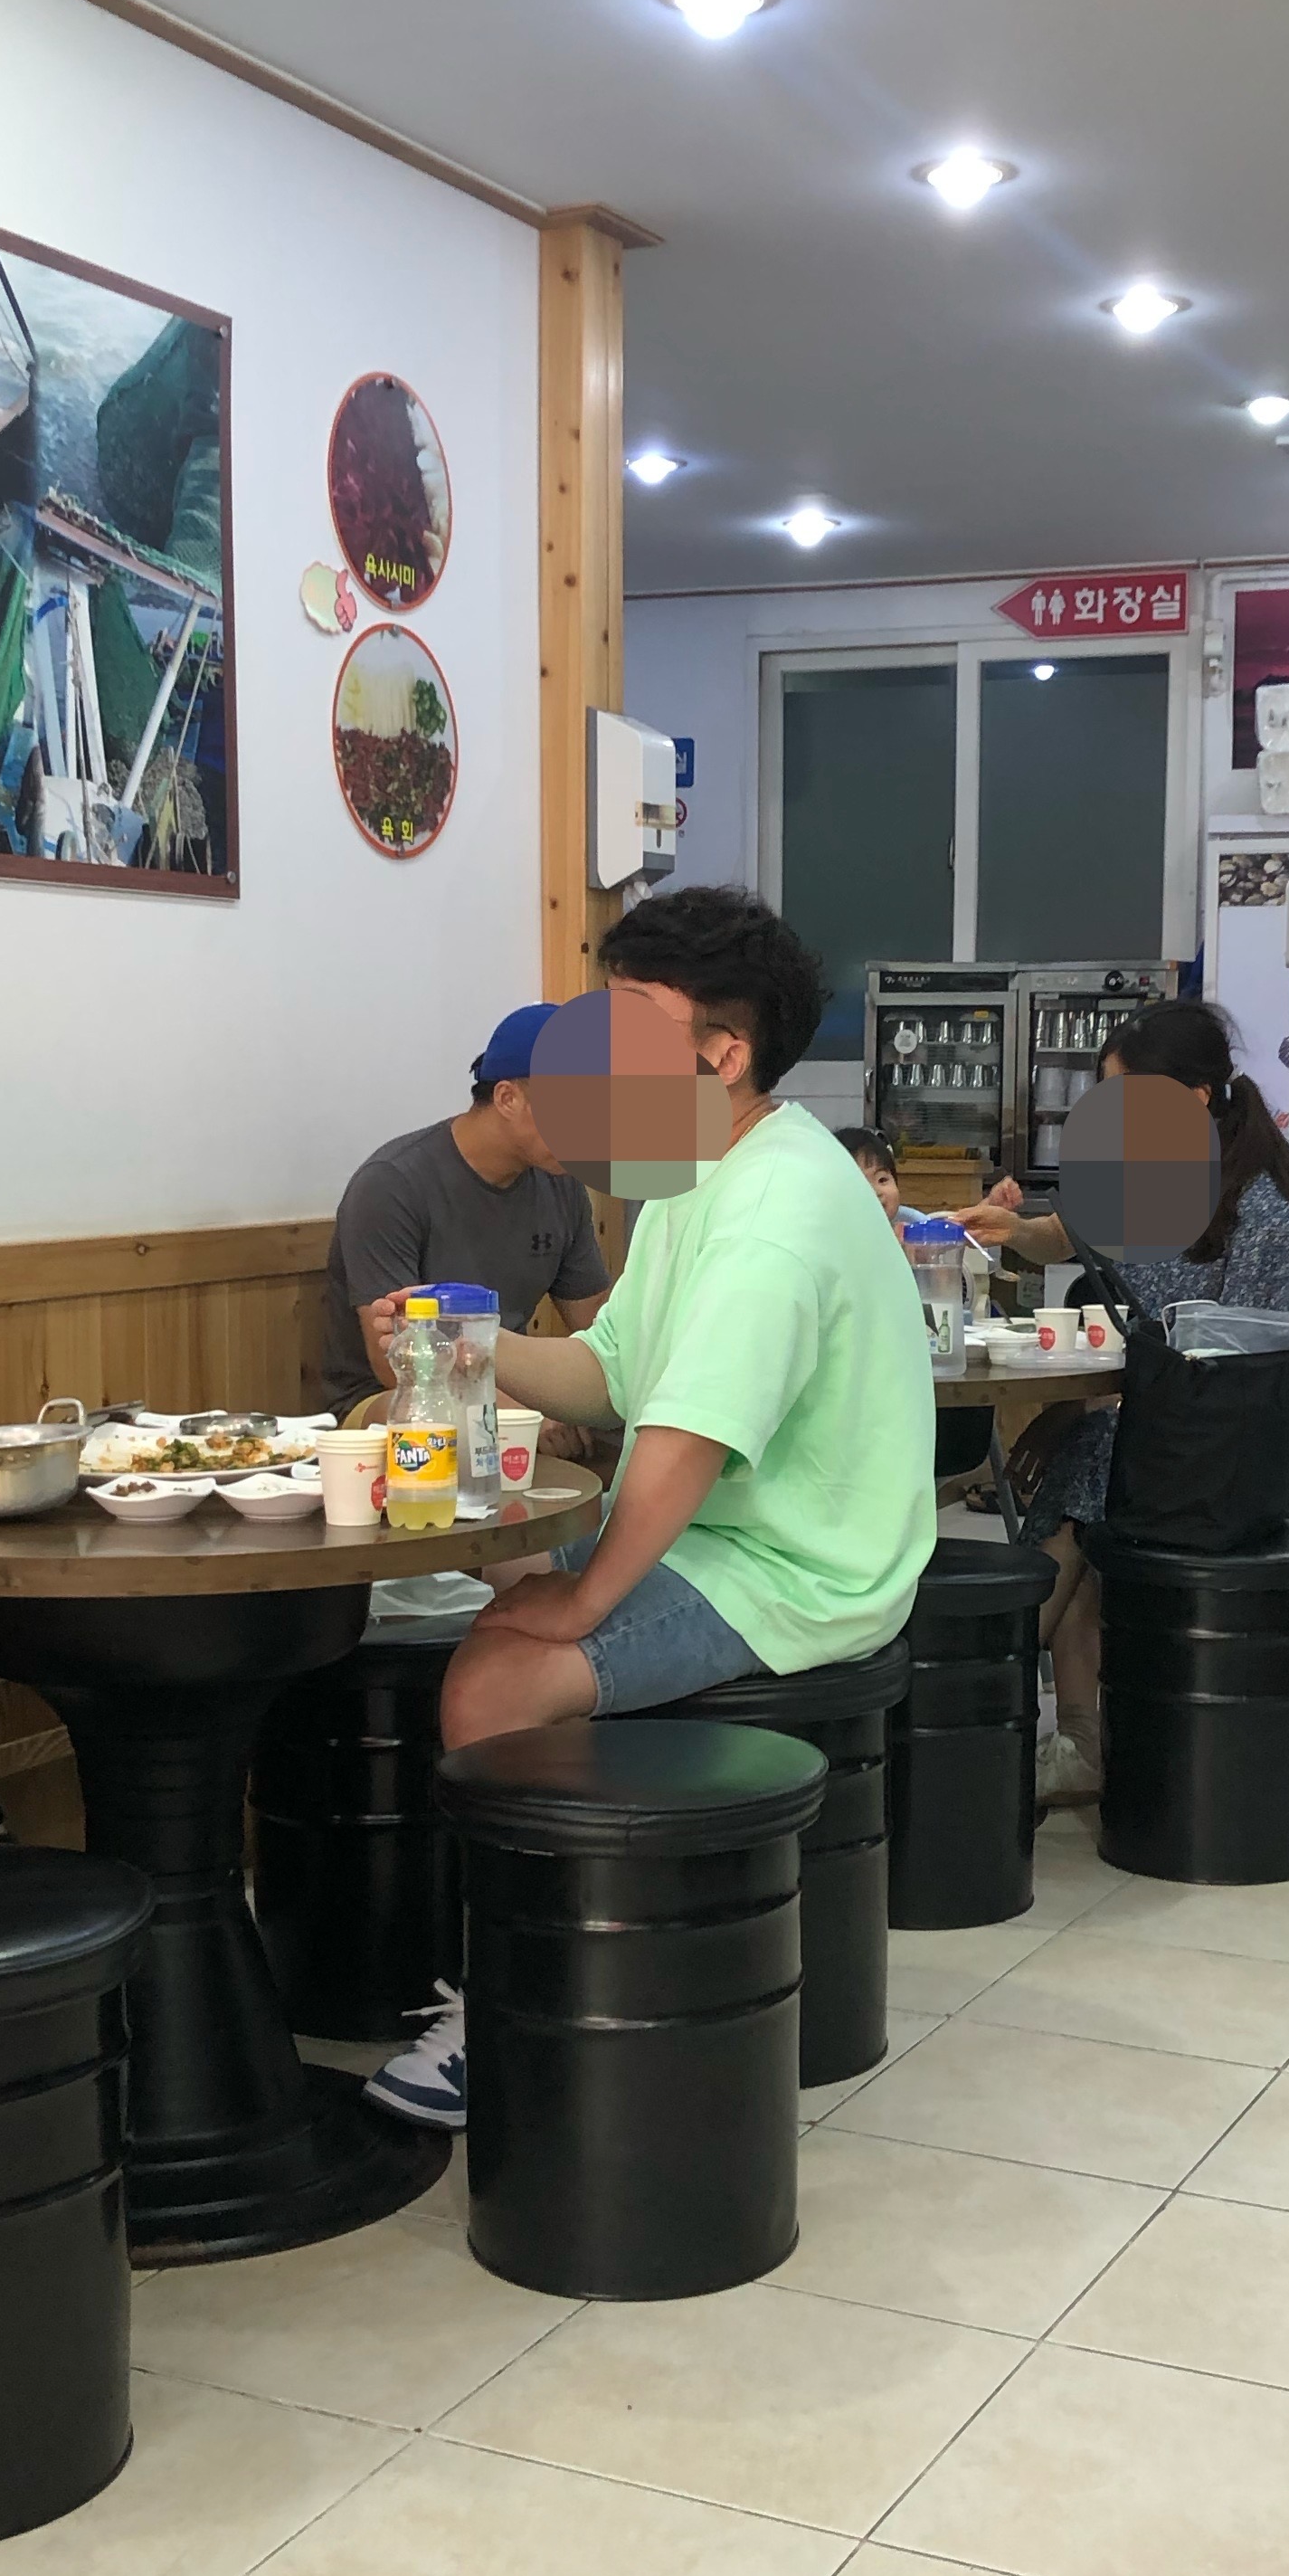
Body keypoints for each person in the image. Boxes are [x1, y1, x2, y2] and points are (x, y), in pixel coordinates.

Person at [365, 888, 935, 2127]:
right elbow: (613, 1374)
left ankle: (508, 2010)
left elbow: (683, 1443)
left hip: (796, 1567)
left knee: (496, 1675)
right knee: (475, 1593)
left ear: (721, 1056)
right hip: (722, 1534)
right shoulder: (691, 1171)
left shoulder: (778, 1209)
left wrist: (582, 1606)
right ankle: (553, 1946)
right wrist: (465, 1341)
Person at [966, 998, 1289, 1807]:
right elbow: (1067, 1234)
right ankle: (1063, 1738)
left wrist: (1105, 1410)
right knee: (1083, 1481)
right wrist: (1007, 1228)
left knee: (1081, 1491)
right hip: (1154, 1423)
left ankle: (975, 1704)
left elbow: (1237, 1367)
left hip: (1219, 1442)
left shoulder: (1258, 1209)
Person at [315, 1003, 612, 1417]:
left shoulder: (561, 1184)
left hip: (508, 1391)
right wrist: (523, 1415)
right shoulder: (392, 1183)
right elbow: (396, 1364)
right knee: (459, 1420)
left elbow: (596, 1325)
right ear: (507, 1098)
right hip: (386, 1403)